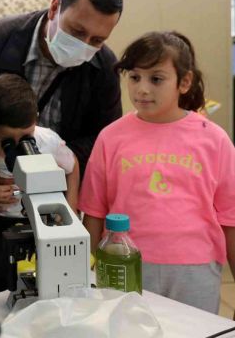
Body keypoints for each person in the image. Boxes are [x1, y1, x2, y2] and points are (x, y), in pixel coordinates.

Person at [79, 31, 235, 314]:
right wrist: (85, 274)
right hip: (124, 263)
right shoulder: (111, 137)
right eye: (135, 77)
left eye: (156, 79)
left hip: (195, 268)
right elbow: (94, 212)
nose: (142, 89)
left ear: (184, 82)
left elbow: (230, 218)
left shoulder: (214, 139)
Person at [0, 0, 123, 175]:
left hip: (58, 175)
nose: (83, 45)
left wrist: (53, 159)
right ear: (54, 9)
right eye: (76, 31)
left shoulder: (104, 67)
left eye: (96, 40)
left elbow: (104, 137)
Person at [0, 74, 79, 306]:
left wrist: (69, 208)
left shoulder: (48, 142)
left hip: (22, 220)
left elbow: (72, 166)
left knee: (3, 278)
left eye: (26, 138)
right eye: (7, 141)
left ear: (36, 121)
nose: (18, 147)